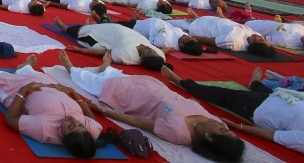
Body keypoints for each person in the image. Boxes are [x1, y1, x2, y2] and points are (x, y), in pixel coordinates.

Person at [61, 54, 244, 160]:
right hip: (153, 87)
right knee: (117, 76)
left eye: (222, 129)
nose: (222, 125)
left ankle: (72, 70)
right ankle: (105, 68)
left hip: (134, 99)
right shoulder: (214, 122)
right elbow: (201, 109)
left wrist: (105, 112)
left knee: (96, 83)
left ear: (210, 138)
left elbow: (138, 121)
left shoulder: (178, 132)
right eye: (225, 127)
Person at [0, 48, 101, 156]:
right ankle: (25, 68)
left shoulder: (44, 129)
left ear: (63, 137)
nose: (73, 120)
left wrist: (24, 90)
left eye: (70, 126)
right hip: (49, 85)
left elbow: (11, 119)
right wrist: (72, 92)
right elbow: (92, 120)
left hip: (18, 92)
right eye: (79, 124)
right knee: (37, 75)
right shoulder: (91, 131)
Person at [164, 65, 304, 154]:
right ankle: (254, 83)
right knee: (261, 89)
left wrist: (237, 126)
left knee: (220, 94)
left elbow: (272, 135)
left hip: (261, 108)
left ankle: (181, 82)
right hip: (284, 97)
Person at [53, 17, 166, 69]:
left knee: (86, 34)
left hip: (108, 37)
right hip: (118, 29)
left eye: (148, 51)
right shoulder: (159, 56)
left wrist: (81, 50)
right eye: (152, 50)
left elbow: (105, 52)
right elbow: (161, 53)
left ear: (141, 58)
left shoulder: (128, 55)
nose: (151, 49)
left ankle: (65, 28)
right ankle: (91, 25)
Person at [167, 10, 276, 57]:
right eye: (263, 38)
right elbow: (229, 24)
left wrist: (186, 34)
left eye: (261, 40)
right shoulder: (255, 34)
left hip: (194, 27)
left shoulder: (234, 42)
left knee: (165, 23)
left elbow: (210, 41)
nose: (261, 37)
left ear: (254, 46)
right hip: (204, 20)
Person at [35, 0, 109, 17]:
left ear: (93, 7)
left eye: (95, 2)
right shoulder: (101, 4)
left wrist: (51, 3)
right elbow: (103, 12)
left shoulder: (80, 6)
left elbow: (66, 6)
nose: (96, 1)